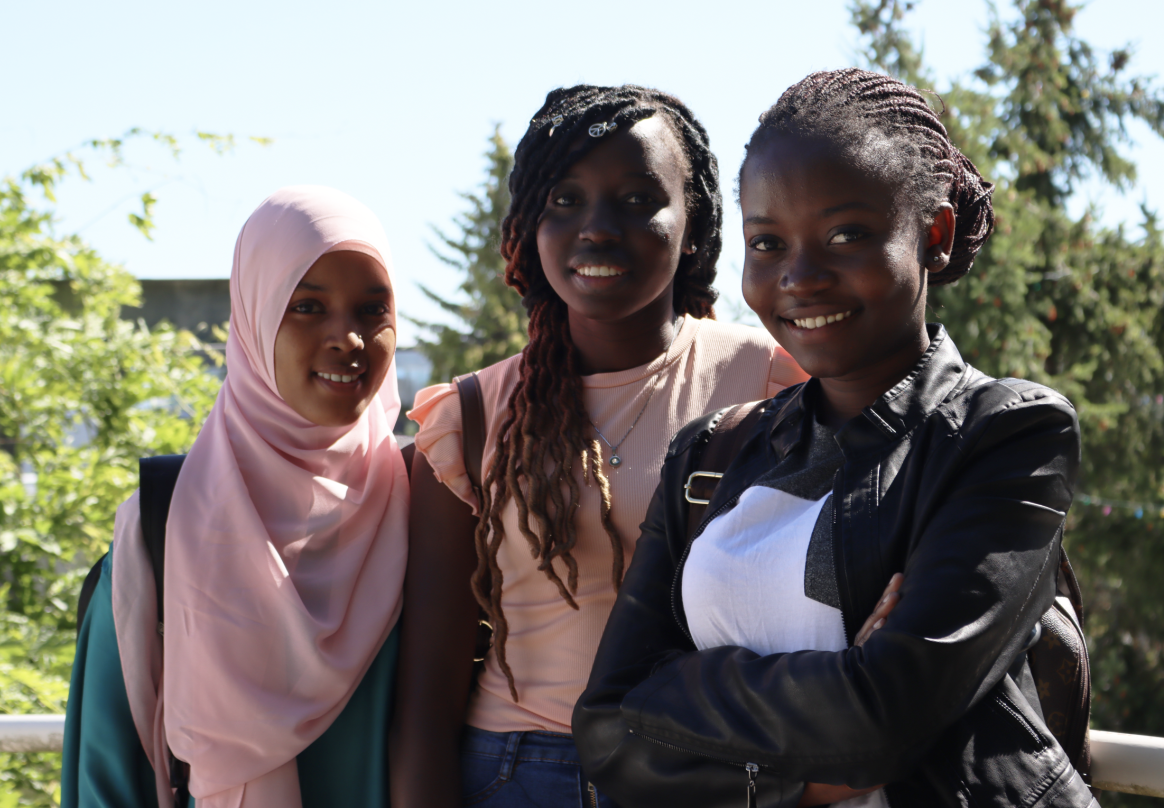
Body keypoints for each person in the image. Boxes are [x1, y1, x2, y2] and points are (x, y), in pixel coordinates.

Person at [573, 68, 1094, 808]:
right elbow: (604, 727)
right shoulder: (708, 456)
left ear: (934, 237)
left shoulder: (1004, 434)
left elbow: (884, 721)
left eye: (847, 234)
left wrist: (681, 688)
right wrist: (823, 732)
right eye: (768, 242)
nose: (800, 277)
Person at [388, 83, 819, 808]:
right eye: (564, 199)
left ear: (695, 222)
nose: (596, 227)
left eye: (636, 198)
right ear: (529, 224)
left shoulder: (771, 381)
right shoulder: (471, 416)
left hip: (704, 767)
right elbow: (425, 695)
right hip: (515, 772)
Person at [61, 186, 409, 808]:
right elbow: (106, 773)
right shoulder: (166, 526)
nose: (348, 338)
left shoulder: (425, 505)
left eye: (371, 309)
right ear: (252, 318)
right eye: (306, 307)